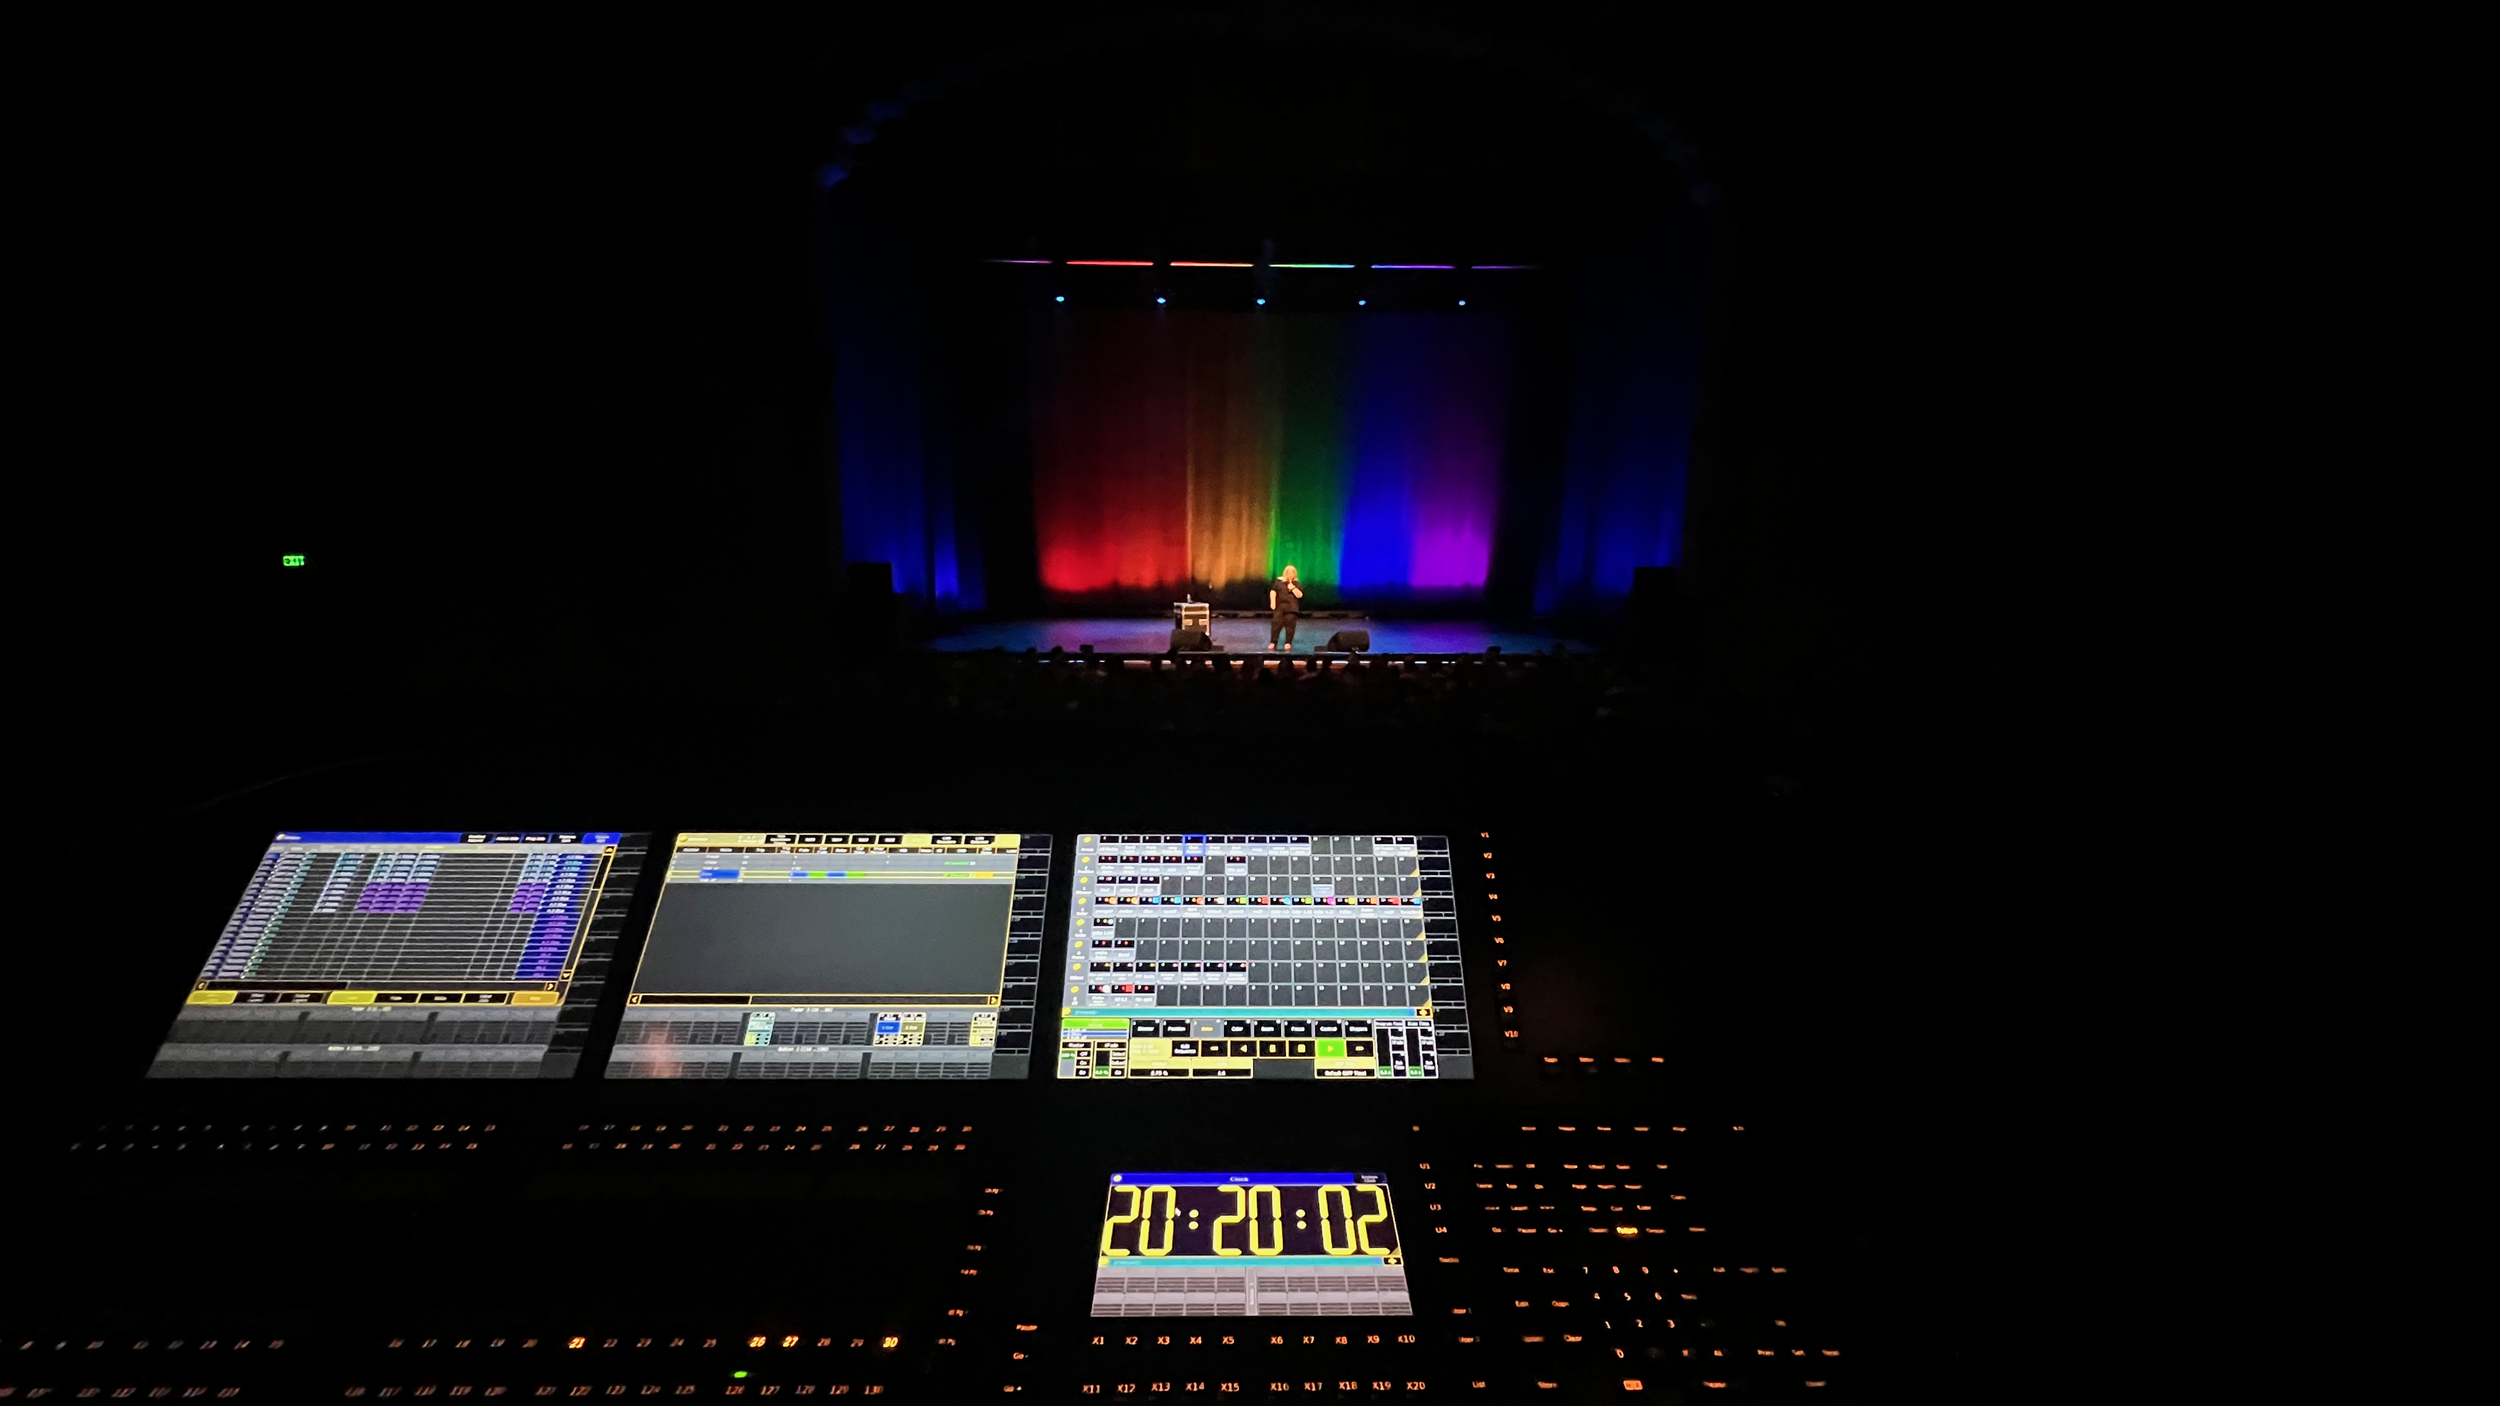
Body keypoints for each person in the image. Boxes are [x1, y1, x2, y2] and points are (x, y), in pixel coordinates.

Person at [1268, 564, 1304, 650]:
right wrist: (1273, 602)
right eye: (1289, 573)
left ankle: (1288, 642)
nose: (1290, 575)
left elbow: (1300, 595)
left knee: (1290, 626)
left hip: (1291, 608)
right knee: (1276, 624)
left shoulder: (1297, 583)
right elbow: (1273, 592)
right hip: (1280, 607)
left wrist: (1293, 588)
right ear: (1285, 573)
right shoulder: (1279, 582)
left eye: (1292, 573)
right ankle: (1273, 642)